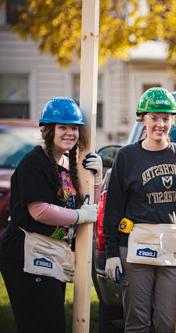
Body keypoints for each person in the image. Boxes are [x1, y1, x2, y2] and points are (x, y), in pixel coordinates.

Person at [103, 87, 176, 333]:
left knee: (168, 322)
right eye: (154, 118)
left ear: (173, 120)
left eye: (165, 118)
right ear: (143, 119)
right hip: (134, 246)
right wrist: (111, 253)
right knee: (137, 322)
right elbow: (114, 207)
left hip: (173, 248)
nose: (160, 124)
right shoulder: (127, 156)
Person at [0, 97, 100, 333]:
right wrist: (79, 216)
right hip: (24, 254)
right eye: (62, 127)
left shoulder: (66, 163)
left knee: (52, 322)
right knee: (40, 324)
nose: (70, 133)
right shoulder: (35, 163)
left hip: (50, 251)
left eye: (74, 128)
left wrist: (95, 176)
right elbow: (40, 211)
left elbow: (89, 206)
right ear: (48, 130)